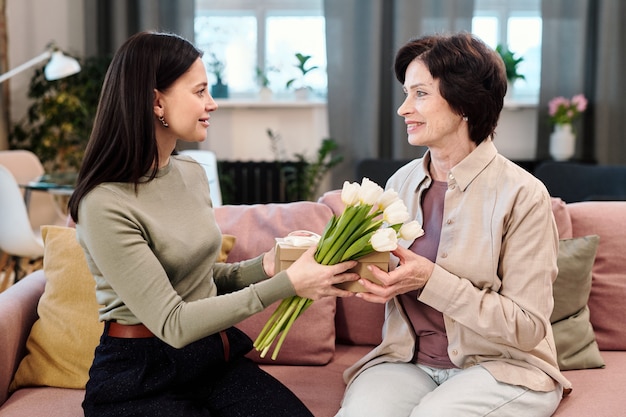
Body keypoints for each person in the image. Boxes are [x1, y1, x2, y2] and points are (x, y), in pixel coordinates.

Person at [67, 31, 359, 417]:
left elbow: (199, 279)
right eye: (200, 91)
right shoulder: (105, 203)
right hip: (139, 374)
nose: (212, 103)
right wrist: (288, 284)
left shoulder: (189, 173)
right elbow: (173, 322)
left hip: (208, 357)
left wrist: (267, 265)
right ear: (157, 101)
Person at [335, 32, 571, 417]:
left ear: (464, 103)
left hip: (502, 369)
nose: (403, 109)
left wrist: (431, 281)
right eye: (405, 93)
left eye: (420, 94)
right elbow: (387, 272)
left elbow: (529, 326)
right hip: (408, 363)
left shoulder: (523, 194)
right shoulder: (400, 184)